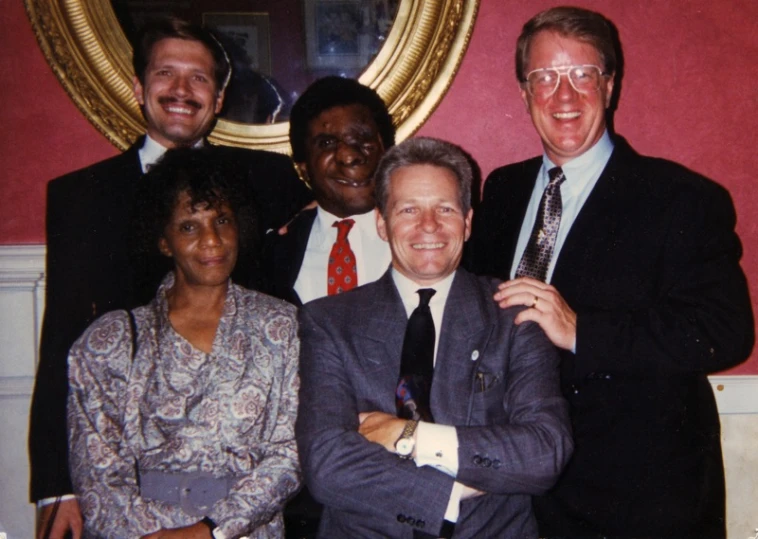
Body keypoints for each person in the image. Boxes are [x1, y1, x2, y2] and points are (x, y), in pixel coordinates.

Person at [466, 6, 754, 538]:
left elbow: (725, 332)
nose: (565, 96)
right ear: (524, 94)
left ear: (610, 85)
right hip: (517, 495)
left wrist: (582, 331)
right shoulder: (502, 193)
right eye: (545, 78)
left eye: (582, 75)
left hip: (641, 502)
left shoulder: (681, 200)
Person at [29, 17, 312, 539]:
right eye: (165, 73)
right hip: (118, 482)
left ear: (220, 97)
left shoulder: (267, 180)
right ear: (139, 87)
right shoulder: (81, 195)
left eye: (199, 78)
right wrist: (57, 486)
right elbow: (62, 340)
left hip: (240, 489)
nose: (181, 90)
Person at [296, 137, 572, 538]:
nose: (429, 225)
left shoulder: (515, 316)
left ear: (468, 222)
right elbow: (325, 464)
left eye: (445, 208)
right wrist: (447, 493)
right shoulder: (329, 322)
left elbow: (545, 452)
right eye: (409, 209)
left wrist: (407, 435)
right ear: (381, 222)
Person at [66, 147, 300, 539]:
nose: (213, 240)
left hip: (243, 531)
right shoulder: (110, 342)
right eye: (190, 226)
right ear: (163, 241)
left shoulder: (281, 326)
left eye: (222, 220)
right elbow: (98, 474)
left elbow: (289, 454)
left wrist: (209, 531)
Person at [262, 76, 395, 306]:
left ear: (387, 151)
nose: (349, 155)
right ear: (303, 169)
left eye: (363, 138)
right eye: (326, 143)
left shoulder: (431, 235)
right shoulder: (273, 253)